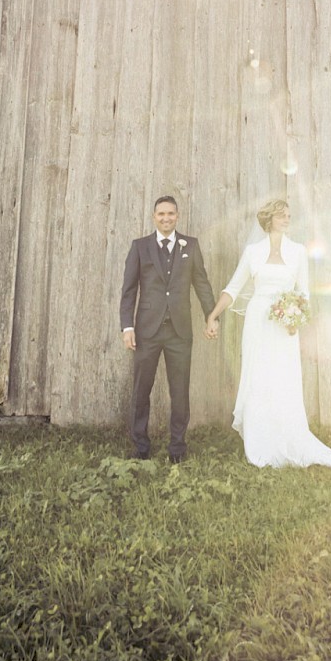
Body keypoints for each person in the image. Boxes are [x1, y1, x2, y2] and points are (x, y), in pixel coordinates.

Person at [205, 198, 331, 486]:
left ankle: (288, 435)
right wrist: (213, 316)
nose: (287, 220)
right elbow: (233, 288)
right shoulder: (253, 252)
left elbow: (305, 294)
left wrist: (294, 318)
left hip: (285, 328)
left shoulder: (297, 252)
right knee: (260, 378)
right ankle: (262, 441)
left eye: (289, 216)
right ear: (269, 220)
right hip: (258, 324)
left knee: (283, 380)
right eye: (281, 216)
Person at [120, 194, 218, 462]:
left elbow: (202, 284)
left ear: (177, 216)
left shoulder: (191, 245)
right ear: (154, 217)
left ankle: (177, 448)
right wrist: (127, 326)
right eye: (161, 214)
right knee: (141, 390)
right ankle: (140, 447)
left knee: (180, 391)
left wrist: (212, 317)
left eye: (171, 214)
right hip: (146, 332)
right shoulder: (140, 247)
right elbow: (129, 290)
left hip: (179, 331)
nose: (166, 218)